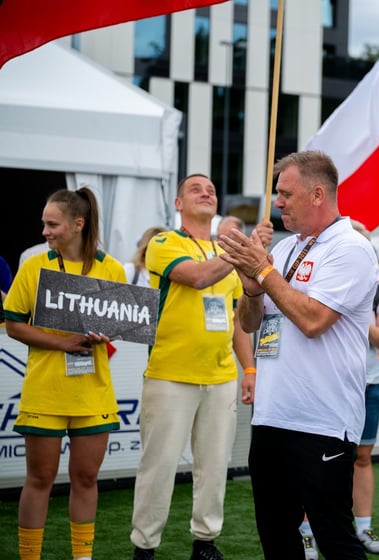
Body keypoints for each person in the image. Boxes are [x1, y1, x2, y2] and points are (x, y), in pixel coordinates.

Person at [216, 150, 379, 560]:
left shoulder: (351, 248)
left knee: (335, 538)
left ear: (318, 194)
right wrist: (251, 286)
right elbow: (252, 324)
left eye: (286, 193)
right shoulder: (288, 250)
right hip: (272, 416)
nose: (278, 203)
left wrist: (264, 273)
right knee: (277, 538)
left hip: (322, 421)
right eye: (277, 194)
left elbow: (313, 320)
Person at [129, 174, 272, 560]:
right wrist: (243, 250)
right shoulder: (165, 242)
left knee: (214, 468)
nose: (206, 191)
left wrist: (250, 370)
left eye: (211, 188)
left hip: (221, 375)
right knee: (157, 467)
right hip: (170, 374)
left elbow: (239, 321)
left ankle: (205, 542)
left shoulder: (223, 253)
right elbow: (196, 277)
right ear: (178, 204)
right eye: (195, 188)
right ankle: (145, 546)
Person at [4, 188, 126, 560]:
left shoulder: (112, 269)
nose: (44, 231)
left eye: (52, 224)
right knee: (39, 480)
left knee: (86, 479)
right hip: (46, 391)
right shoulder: (34, 266)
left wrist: (110, 332)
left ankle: (82, 558)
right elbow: (12, 325)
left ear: (78, 224)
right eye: (44, 223)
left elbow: (122, 323)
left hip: (93, 393)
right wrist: (62, 344)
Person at [349, 219, 379, 554]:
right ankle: (305, 530)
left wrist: (358, 318)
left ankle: (364, 528)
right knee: (317, 459)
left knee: (363, 457)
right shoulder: (328, 280)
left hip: (368, 385)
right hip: (331, 386)